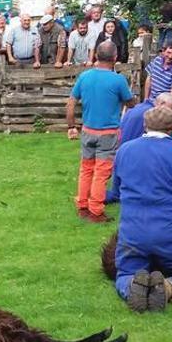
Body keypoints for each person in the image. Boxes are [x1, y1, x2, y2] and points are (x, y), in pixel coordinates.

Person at [111, 107, 172, 312]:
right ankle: (168, 288)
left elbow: (117, 191)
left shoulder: (124, 151)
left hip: (132, 231)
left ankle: (132, 286)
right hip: (170, 231)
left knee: (125, 272)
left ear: (145, 126)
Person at [66, 42, 135, 223]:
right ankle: (96, 211)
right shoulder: (118, 80)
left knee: (86, 169)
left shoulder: (84, 77)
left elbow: (71, 103)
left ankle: (82, 205)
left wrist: (71, 126)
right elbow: (131, 103)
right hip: (108, 134)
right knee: (101, 173)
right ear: (115, 57)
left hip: (87, 131)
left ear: (96, 55)